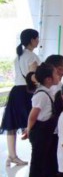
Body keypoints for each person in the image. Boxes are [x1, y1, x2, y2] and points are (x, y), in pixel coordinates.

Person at [1, 28, 40, 166]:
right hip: (27, 92)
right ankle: (38, 153)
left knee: (11, 124)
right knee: (34, 122)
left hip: (16, 91)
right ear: (32, 40)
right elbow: (33, 77)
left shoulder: (18, 56)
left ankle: (12, 156)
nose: (38, 41)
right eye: (37, 38)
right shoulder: (32, 56)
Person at [25, 63, 61, 177]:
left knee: (45, 157)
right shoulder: (41, 94)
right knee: (37, 159)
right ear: (48, 79)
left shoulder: (48, 90)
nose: (58, 76)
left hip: (46, 131)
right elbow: (32, 116)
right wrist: (28, 130)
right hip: (40, 131)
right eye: (56, 74)